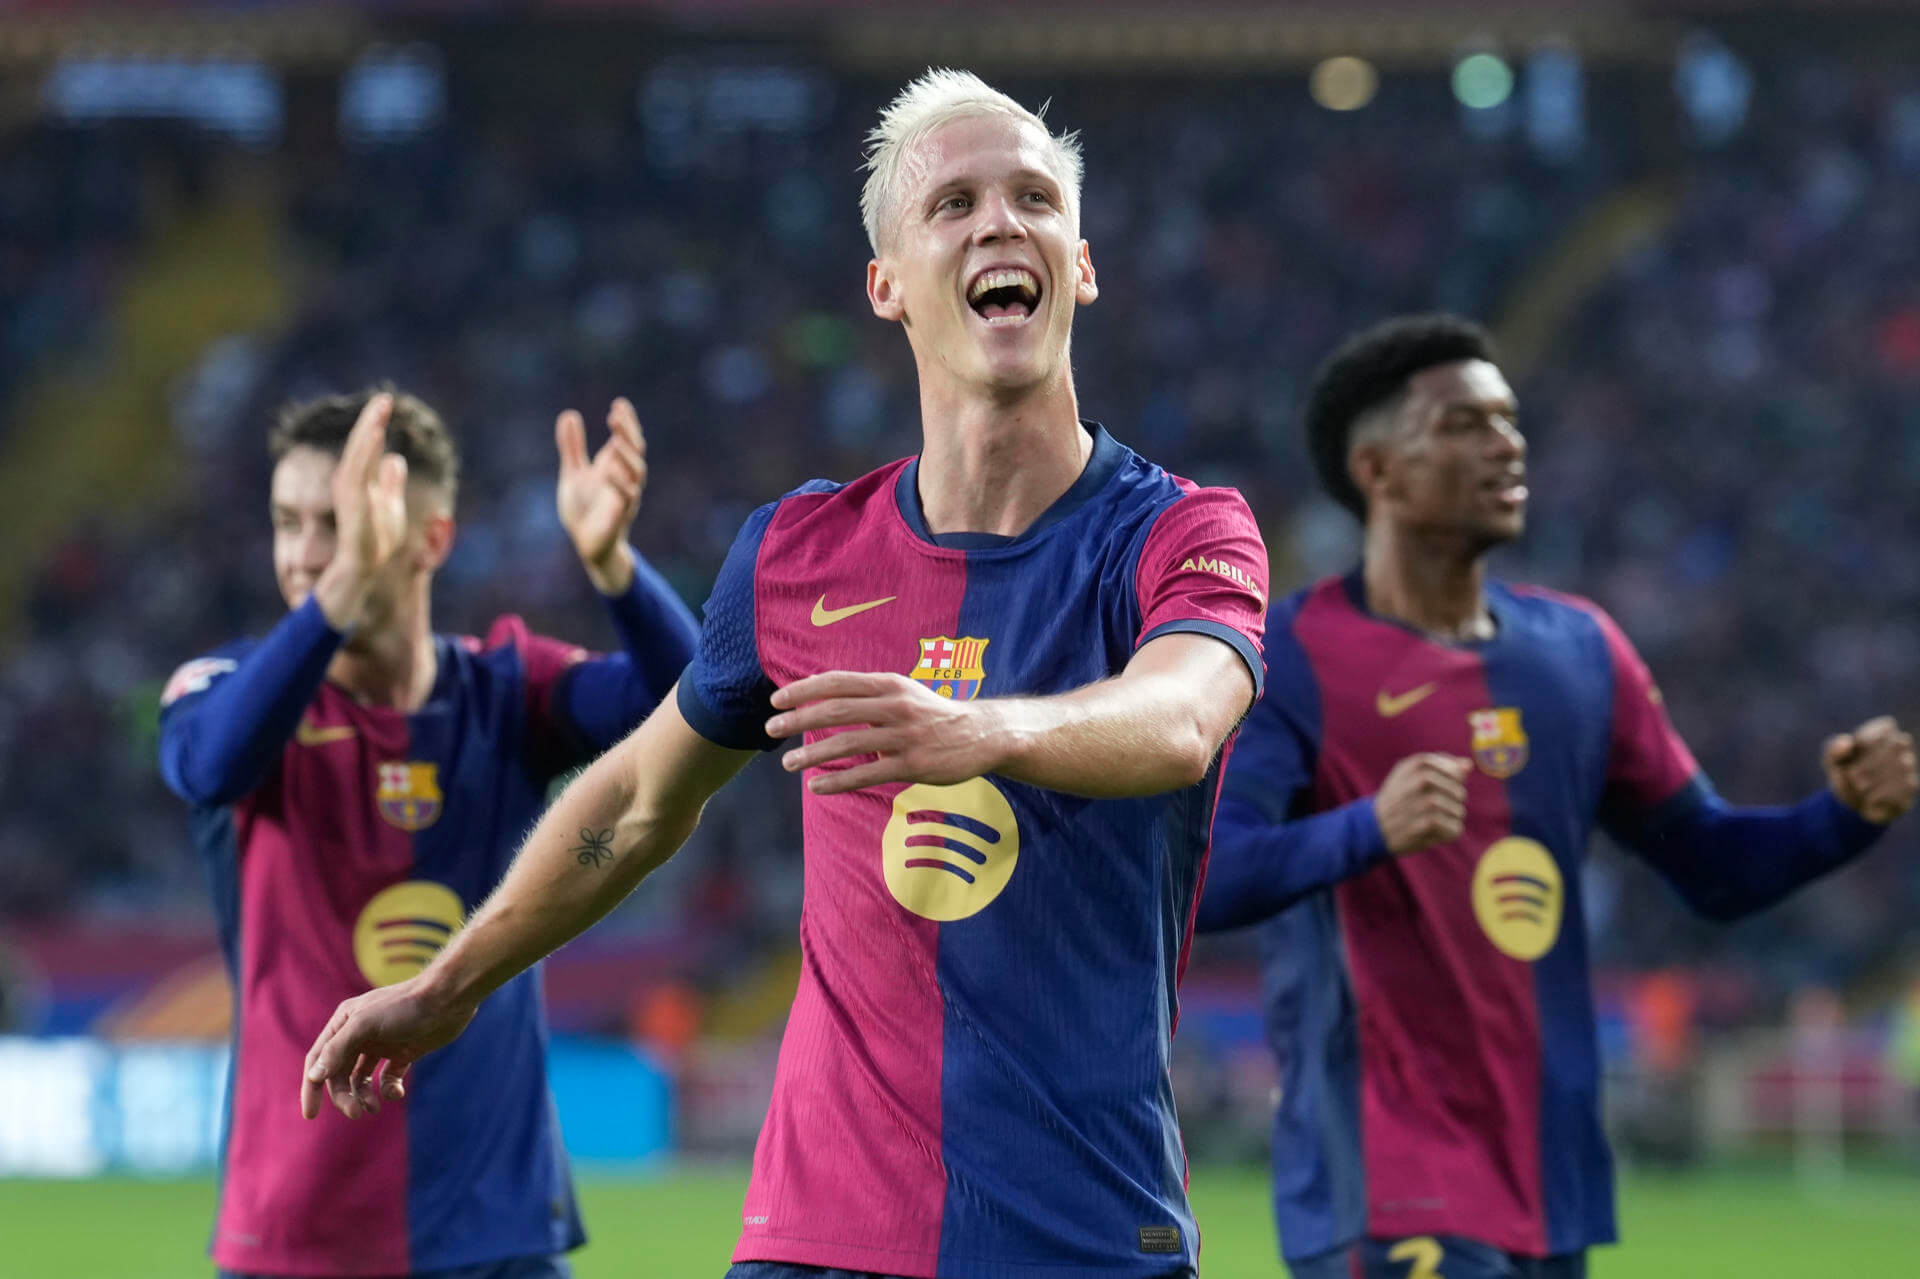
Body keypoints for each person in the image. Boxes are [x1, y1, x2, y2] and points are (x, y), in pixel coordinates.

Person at [301, 70, 1269, 1279]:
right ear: (886, 286)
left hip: (1083, 1237)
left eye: (1031, 198)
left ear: (1080, 263)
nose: (998, 224)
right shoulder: (797, 553)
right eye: (952, 205)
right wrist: (453, 982)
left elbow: (1183, 717)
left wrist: (985, 733)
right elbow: (636, 801)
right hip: (816, 1242)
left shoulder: (1185, 533)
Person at [1194, 314, 1918, 1279]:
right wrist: (1370, 827)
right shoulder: (1292, 661)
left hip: (1553, 1184)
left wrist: (1844, 815)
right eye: (1463, 425)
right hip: (1383, 1177)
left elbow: (1712, 867)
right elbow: (1207, 877)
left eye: (1510, 420)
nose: (1507, 443)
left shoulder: (1579, 653)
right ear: (1377, 470)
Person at [158, 388, 700, 1278]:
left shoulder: (505, 689)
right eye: (287, 522)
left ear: (432, 540)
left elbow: (693, 710)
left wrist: (614, 568)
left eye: (339, 522)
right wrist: (339, 591)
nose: (304, 555)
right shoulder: (225, 687)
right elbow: (212, 768)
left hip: (497, 1228)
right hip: (296, 1231)